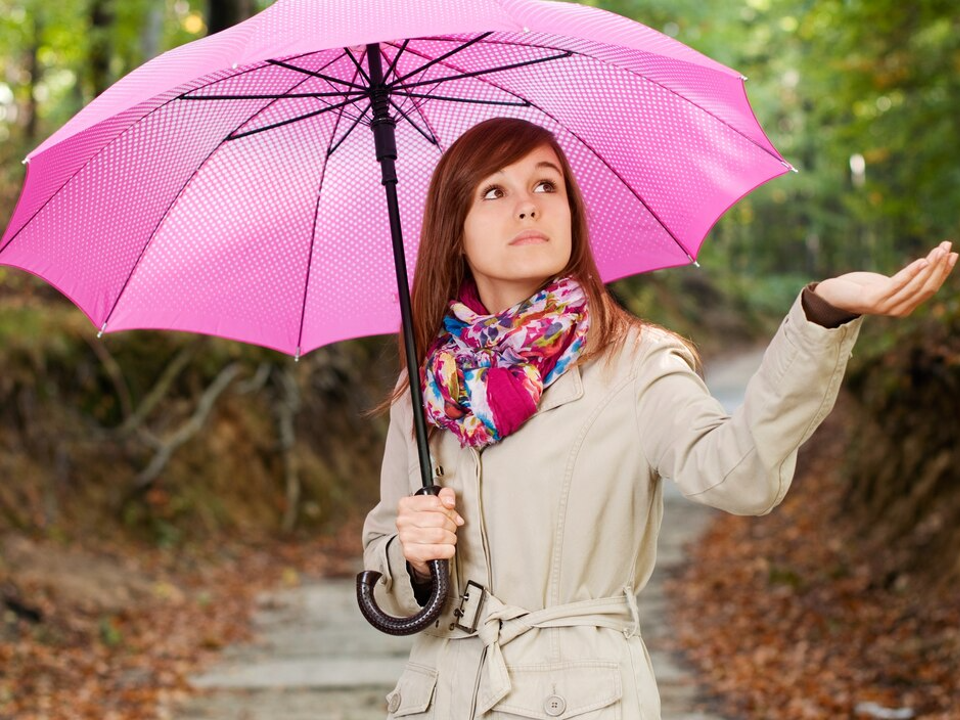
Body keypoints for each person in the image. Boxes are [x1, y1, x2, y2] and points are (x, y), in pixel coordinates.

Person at [361, 117, 956, 720]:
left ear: (571, 213)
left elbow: (740, 475)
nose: (528, 208)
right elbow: (382, 571)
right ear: (454, 231)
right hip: (437, 697)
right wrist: (410, 557)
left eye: (546, 186)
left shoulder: (635, 362)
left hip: (578, 697)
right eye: (495, 192)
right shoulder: (427, 385)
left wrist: (821, 316)